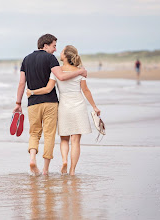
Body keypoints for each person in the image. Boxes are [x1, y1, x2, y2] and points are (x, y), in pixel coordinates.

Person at [13, 34, 87, 176]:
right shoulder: (50, 58)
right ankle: (45, 170)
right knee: (49, 135)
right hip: (50, 103)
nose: (55, 50)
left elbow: (22, 83)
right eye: (53, 46)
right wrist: (81, 71)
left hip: (32, 104)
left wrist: (18, 103)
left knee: (34, 133)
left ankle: (32, 159)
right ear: (45, 45)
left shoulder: (26, 59)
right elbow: (61, 76)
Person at [26, 45, 101, 175]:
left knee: (64, 139)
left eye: (61, 51)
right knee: (76, 141)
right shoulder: (80, 71)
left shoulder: (56, 71)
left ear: (65, 56)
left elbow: (48, 89)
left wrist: (32, 92)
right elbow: (86, 91)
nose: (59, 52)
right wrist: (94, 106)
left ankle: (65, 161)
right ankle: (72, 170)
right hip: (78, 106)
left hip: (64, 107)